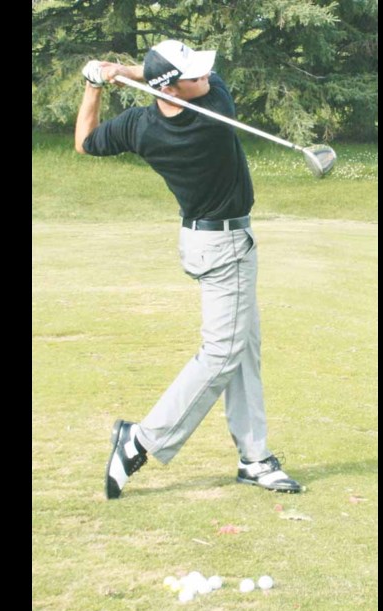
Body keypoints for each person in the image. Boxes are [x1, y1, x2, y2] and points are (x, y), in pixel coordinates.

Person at [75, 39, 303, 500]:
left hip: (201, 241)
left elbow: (83, 143)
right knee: (222, 354)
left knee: (243, 349)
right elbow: (185, 82)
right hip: (226, 250)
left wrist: (95, 83)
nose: (206, 77)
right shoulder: (214, 111)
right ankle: (141, 439)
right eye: (195, 75)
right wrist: (126, 70)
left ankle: (253, 457)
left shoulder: (141, 126)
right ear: (176, 90)